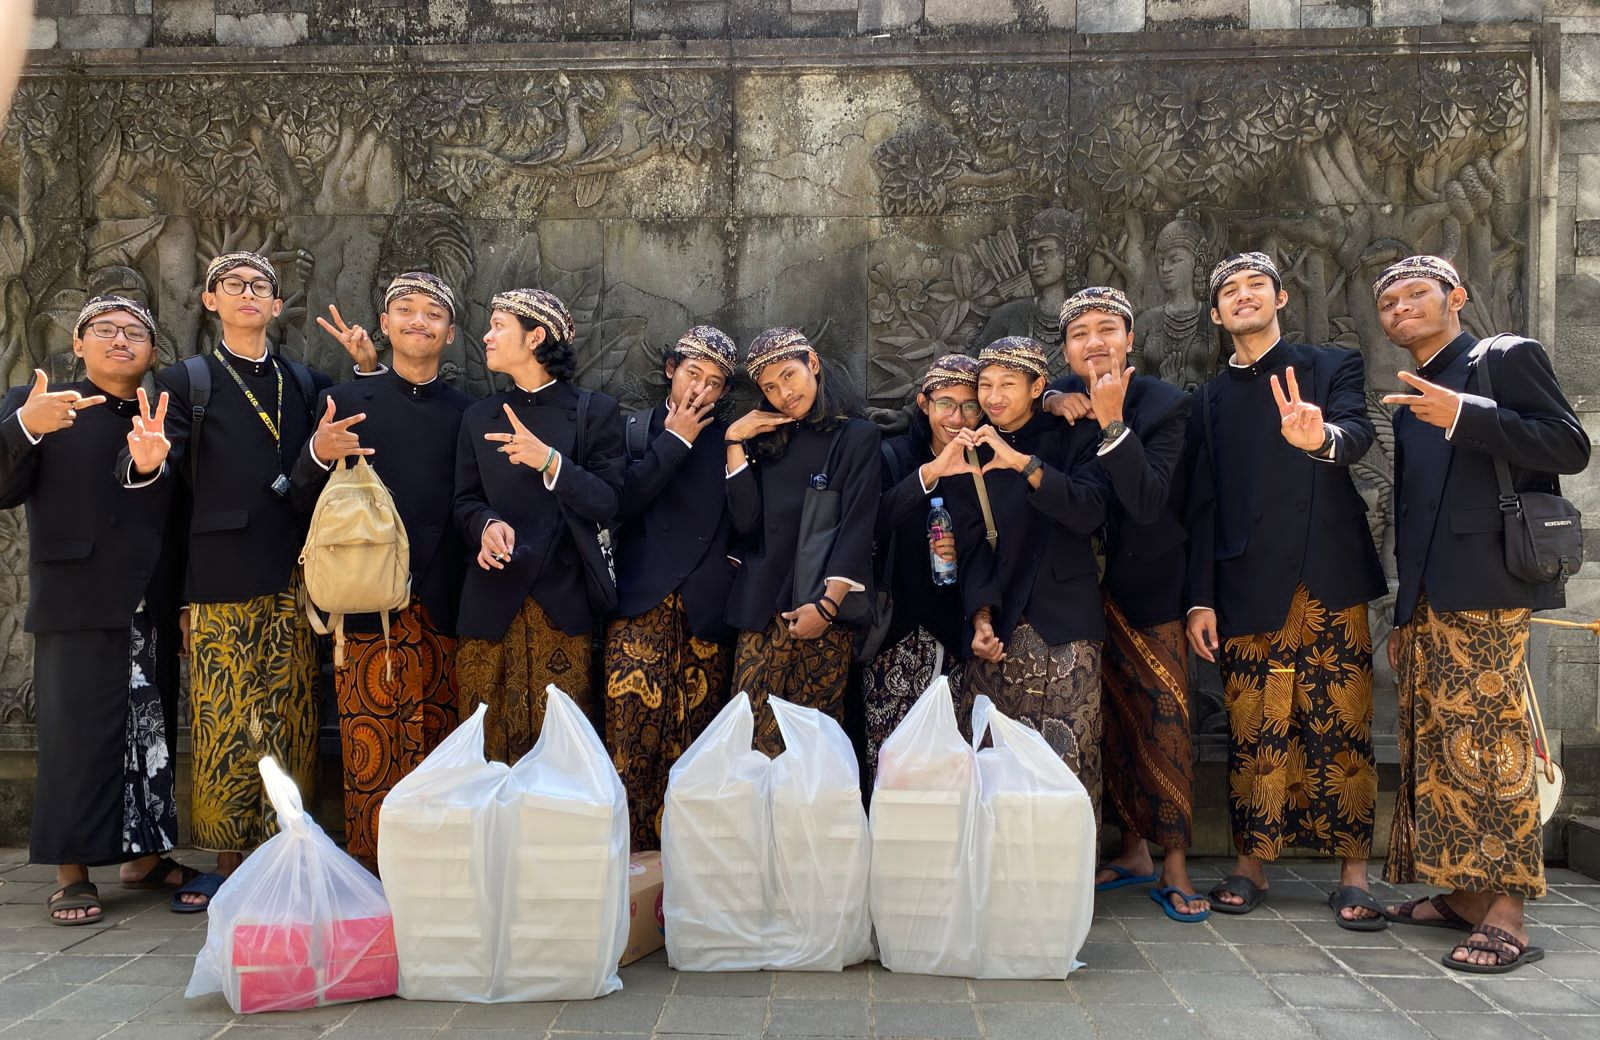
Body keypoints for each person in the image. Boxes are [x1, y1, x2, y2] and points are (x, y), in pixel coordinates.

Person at [1373, 255, 1590, 973]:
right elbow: (1416, 516)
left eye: (1417, 294)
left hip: (1492, 589)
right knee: (1438, 750)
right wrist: (1406, 612)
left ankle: (1507, 914)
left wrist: (1468, 415)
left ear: (1457, 297)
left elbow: (1570, 445)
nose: (1402, 309)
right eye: (1389, 303)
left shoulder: (1503, 359)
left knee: (1493, 750)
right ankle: (1465, 894)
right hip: (1431, 602)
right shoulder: (1410, 396)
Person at [1186, 252, 1388, 928]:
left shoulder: (1331, 366)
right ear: (1216, 314)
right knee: (1254, 727)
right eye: (1229, 291)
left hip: (1325, 574)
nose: (1243, 296)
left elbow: (1357, 432)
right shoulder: (1208, 398)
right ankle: (1251, 863)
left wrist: (1318, 435)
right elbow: (1203, 502)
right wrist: (1200, 597)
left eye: (1256, 286)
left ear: (1280, 298)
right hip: (1246, 580)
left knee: (1343, 722)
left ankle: (1354, 873)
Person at [135, 252, 330, 911]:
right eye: (233, 284)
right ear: (210, 300)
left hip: (295, 574)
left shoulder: (304, 382)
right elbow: (168, 487)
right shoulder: (187, 380)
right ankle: (225, 861)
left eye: (261, 286)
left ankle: (290, 850)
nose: (248, 293)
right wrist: (151, 463)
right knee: (224, 720)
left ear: (277, 306)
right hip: (218, 578)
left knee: (293, 716)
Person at [0, 297, 187, 924]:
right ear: (78, 345)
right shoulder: (40, 403)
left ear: (153, 352)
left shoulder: (162, 413)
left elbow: (174, 511)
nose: (120, 339)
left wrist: (151, 465)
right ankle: (72, 871)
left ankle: (145, 858)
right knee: (74, 737)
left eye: (135, 332)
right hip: (76, 597)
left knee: (149, 734)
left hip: (149, 600)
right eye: (104, 330)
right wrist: (25, 427)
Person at [291, 272, 472, 871]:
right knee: (369, 746)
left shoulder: (468, 411)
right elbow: (301, 499)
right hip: (367, 604)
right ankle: (371, 871)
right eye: (406, 310)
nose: (419, 321)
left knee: (445, 748)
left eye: (434, 314)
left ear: (451, 333)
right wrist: (317, 453)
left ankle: (440, 874)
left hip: (445, 604)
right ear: (386, 324)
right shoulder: (347, 403)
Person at [1049, 287, 1207, 922]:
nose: (1094, 342)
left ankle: (1175, 865)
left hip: (1150, 585)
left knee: (1163, 722)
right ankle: (1132, 851)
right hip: (1076, 592)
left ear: (1130, 338)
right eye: (1079, 332)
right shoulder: (1057, 397)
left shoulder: (1166, 406)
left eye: (1107, 329)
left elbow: (1148, 501)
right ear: (1065, 348)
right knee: (1106, 725)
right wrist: (1054, 400)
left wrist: (1114, 422)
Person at [453, 288, 623, 763]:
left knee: (560, 758)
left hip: (562, 605)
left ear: (536, 337)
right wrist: (484, 526)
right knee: (484, 755)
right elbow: (464, 501)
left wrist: (550, 461)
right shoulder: (477, 416)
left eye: (499, 325)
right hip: (490, 605)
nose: (486, 336)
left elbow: (609, 502)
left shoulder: (595, 411)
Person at [947, 336, 1109, 821]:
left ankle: (1068, 866)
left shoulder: (1076, 434)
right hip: (1000, 632)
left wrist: (1022, 463)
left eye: (1008, 384)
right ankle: (997, 865)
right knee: (993, 772)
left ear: (1038, 386)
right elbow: (971, 545)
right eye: (986, 385)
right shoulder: (971, 452)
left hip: (1065, 626)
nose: (994, 397)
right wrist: (979, 619)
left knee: (1068, 766)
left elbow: (1089, 511)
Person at [604, 326, 739, 850]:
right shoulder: (634, 430)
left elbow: (748, 518)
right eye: (692, 374)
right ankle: (634, 864)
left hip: (704, 606)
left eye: (714, 382)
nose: (699, 390)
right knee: (628, 737)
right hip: (640, 603)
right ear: (670, 370)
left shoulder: (733, 439)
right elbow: (621, 503)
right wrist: (675, 440)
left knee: (699, 745)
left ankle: (691, 864)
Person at [724, 328, 880, 755]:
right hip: (763, 609)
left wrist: (827, 607)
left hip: (822, 609)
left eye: (789, 375)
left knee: (811, 751)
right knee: (750, 744)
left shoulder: (857, 437)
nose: (784, 393)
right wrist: (735, 443)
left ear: (812, 363)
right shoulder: (766, 438)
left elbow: (857, 524)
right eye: (770, 387)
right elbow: (747, 523)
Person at [862, 353, 983, 777]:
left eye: (970, 406)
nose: (957, 417)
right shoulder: (893, 455)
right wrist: (930, 474)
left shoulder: (987, 461)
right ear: (924, 403)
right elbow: (872, 522)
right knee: (890, 764)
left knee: (949, 769)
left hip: (959, 634)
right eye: (946, 403)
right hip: (896, 631)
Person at [976, 208, 1087, 358]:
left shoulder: (1091, 317)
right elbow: (974, 366)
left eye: (1044, 251)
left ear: (1069, 252)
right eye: (1030, 253)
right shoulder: (1010, 314)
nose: (1034, 262)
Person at [1133, 217, 1217, 391]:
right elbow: (1132, 385)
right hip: (1155, 406)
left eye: (1174, 260)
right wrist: (1164, 389)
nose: (1165, 268)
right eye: (1160, 261)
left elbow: (1236, 370)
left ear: (1198, 261)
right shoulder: (1145, 322)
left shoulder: (1215, 318)